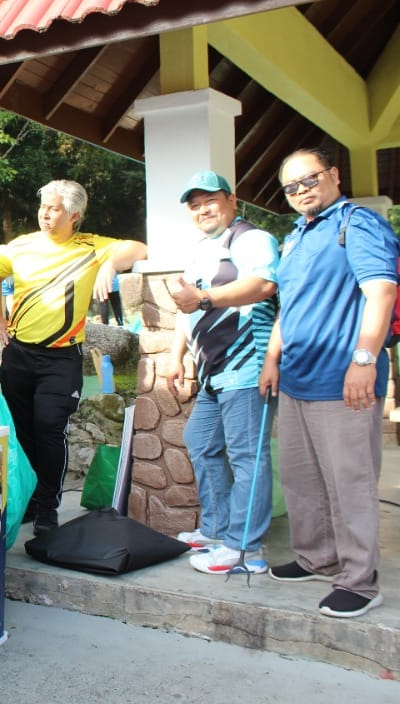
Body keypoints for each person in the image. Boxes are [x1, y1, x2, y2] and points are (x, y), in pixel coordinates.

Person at [259, 147, 399, 618]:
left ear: (333, 175)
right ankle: (318, 558)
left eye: (309, 179)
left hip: (344, 381)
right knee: (302, 479)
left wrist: (365, 359)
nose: (301, 191)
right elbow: (288, 306)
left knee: (350, 483)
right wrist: (271, 359)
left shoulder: (355, 222)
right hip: (296, 377)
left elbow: (380, 291)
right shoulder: (296, 236)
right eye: (291, 186)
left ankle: (360, 582)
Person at [0, 180, 147, 537]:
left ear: (74, 215)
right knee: (23, 432)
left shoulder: (89, 246)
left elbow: (138, 248)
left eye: (53, 208)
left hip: (60, 360)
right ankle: (26, 500)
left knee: (48, 429)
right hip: (19, 354)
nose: (44, 213)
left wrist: (109, 266)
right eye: (43, 206)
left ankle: (47, 506)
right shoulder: (21, 246)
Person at [164, 171, 279, 576]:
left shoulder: (251, 239)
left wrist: (206, 297)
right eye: (194, 205)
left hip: (248, 367)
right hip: (215, 373)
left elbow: (263, 285)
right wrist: (177, 356)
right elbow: (188, 308)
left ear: (232, 201)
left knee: (248, 457)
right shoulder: (200, 250)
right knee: (200, 441)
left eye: (210, 201)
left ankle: (246, 550)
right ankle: (216, 531)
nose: (202, 210)